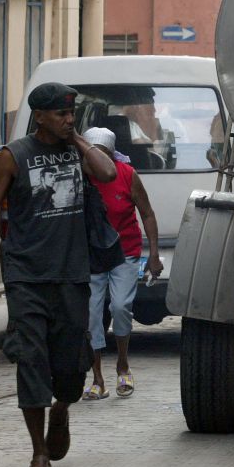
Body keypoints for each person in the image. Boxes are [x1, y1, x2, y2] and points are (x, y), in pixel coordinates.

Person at [0, 82, 116, 467]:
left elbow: (109, 172)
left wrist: (78, 140)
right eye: (61, 114)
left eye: (72, 114)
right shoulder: (14, 157)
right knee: (30, 358)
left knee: (69, 367)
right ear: (39, 116)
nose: (68, 119)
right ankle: (38, 453)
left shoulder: (78, 152)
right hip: (26, 276)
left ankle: (61, 409)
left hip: (72, 275)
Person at [80, 127, 163, 401]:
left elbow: (147, 214)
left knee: (120, 306)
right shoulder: (80, 177)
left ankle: (123, 365)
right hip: (91, 256)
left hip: (125, 252)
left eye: (102, 155)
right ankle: (97, 379)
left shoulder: (127, 175)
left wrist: (153, 255)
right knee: (91, 315)